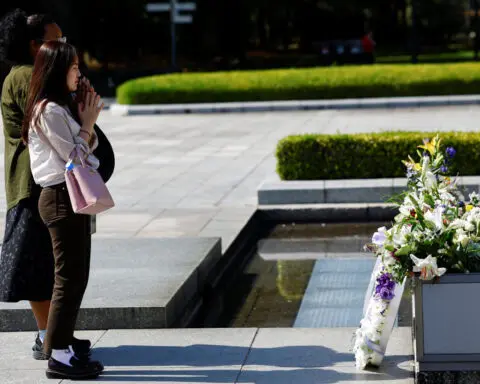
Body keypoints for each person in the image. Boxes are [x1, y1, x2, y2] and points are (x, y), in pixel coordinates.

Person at [0, 9, 95, 360]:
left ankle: (59, 336)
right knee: (43, 269)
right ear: (35, 46)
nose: (64, 48)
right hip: (37, 186)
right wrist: (81, 110)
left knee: (55, 268)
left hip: (44, 183)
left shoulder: (27, 76)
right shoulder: (27, 76)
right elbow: (58, 124)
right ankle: (49, 338)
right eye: (57, 41)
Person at [23, 40, 104, 380]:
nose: (78, 73)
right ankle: (57, 356)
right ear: (58, 70)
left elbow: (90, 146)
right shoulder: (48, 111)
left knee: (76, 276)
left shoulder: (59, 108)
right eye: (73, 68)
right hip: (59, 197)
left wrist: (85, 120)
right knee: (67, 278)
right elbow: (76, 158)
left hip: (68, 196)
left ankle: (64, 344)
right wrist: (87, 123)